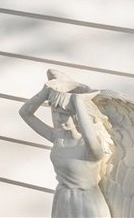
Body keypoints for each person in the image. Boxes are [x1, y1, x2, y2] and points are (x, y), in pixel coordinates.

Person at [19, 71, 112, 218]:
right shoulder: (58, 138)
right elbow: (25, 113)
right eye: (55, 112)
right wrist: (45, 92)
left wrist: (78, 102)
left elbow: (88, 133)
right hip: (63, 200)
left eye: (63, 114)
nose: (57, 118)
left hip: (86, 204)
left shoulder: (90, 147)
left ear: (76, 116)